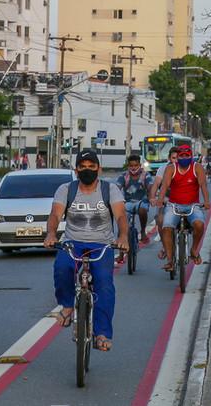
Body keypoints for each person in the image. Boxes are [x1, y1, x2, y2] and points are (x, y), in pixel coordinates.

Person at [44, 149, 128, 352]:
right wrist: (51, 234)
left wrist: (123, 237)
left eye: (92, 166)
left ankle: (102, 333)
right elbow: (55, 215)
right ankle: (66, 306)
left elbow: (121, 216)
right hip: (73, 242)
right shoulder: (66, 189)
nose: (87, 170)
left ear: (98, 169)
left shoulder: (110, 189)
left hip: (102, 245)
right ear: (76, 170)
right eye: (83, 167)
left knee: (104, 284)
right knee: (62, 268)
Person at [154, 143, 211, 269]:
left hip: (193, 206)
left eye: (187, 155)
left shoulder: (197, 167)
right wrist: (160, 199)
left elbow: (203, 186)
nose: (184, 158)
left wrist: (206, 201)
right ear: (178, 156)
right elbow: (164, 186)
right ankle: (169, 260)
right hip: (173, 205)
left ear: (191, 156)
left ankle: (194, 250)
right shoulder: (171, 169)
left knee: (199, 225)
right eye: (182, 155)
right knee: (167, 227)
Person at [116, 154, 153, 246]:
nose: (133, 168)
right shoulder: (124, 176)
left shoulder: (146, 175)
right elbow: (117, 188)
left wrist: (151, 195)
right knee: (122, 225)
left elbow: (150, 187)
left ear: (139, 165)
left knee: (142, 210)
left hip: (142, 202)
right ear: (128, 166)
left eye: (135, 165)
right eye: (131, 166)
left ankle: (143, 231)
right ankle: (121, 253)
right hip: (127, 203)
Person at [152, 147, 179, 255]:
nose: (176, 160)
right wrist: (153, 197)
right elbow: (156, 184)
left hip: (182, 202)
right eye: (173, 158)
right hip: (166, 200)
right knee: (160, 220)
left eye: (178, 158)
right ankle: (165, 246)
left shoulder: (186, 169)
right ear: (169, 158)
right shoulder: (163, 169)